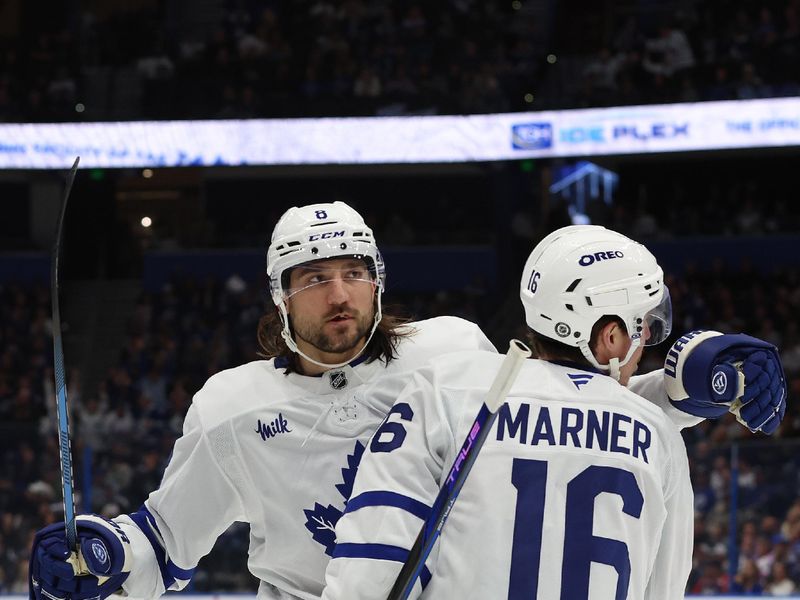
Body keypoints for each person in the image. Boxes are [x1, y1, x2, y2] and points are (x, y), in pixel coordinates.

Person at [29, 212, 785, 600]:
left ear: (379, 283)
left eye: (354, 272)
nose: (337, 292)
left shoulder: (451, 351)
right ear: (279, 294)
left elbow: (560, 413)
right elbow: (166, 540)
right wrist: (99, 552)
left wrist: (689, 386)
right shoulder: (231, 405)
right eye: (312, 276)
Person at [322, 225, 786, 599]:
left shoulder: (448, 388)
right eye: (643, 327)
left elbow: (372, 565)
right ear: (609, 336)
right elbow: (662, 590)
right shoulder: (658, 435)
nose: (645, 344)